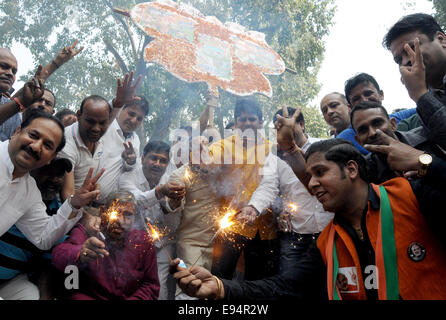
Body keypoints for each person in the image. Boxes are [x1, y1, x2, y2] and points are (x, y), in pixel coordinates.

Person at [171, 138, 446, 300]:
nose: (311, 184)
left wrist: (427, 163)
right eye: (310, 176)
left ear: (351, 169)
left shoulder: (410, 198)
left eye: (320, 172)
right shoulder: (328, 243)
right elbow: (285, 287)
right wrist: (221, 288)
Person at [0, 109, 102, 300]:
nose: (36, 147)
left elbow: (43, 237)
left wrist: (75, 204)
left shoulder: (29, 192)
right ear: (17, 131)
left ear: (50, 158)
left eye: (47, 145)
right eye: (33, 135)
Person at [240, 106, 334, 281]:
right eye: (278, 126)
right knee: (290, 285)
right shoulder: (274, 156)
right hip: (295, 235)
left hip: (330, 231)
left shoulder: (324, 148)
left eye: (288, 124)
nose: (283, 129)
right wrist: (253, 207)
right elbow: (268, 186)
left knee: (329, 284)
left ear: (302, 124)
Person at [209, 98, 276, 282]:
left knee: (258, 282)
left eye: (252, 119)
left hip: (264, 226)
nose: (247, 123)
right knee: (220, 279)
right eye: (242, 119)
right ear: (236, 122)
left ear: (261, 122)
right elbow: (206, 160)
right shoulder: (224, 146)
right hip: (232, 223)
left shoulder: (272, 148)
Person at [52, 190, 160, 300]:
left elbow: (150, 286)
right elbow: (58, 255)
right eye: (115, 213)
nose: (120, 221)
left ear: (134, 218)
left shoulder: (143, 242)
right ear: (103, 212)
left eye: (127, 215)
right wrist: (80, 253)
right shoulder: (89, 232)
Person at [119, 140, 185, 300]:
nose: (157, 164)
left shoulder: (172, 180)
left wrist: (174, 205)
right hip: (132, 241)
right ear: (142, 159)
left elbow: (173, 219)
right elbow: (136, 201)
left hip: (163, 242)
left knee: (159, 283)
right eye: (153, 158)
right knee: (130, 281)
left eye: (163, 161)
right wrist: (160, 191)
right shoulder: (127, 177)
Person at [384, 13, 446, 152]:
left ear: (441, 39)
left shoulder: (423, 97)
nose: (406, 61)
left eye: (412, 47)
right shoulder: (430, 101)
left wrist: (420, 95)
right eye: (399, 60)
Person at [0, 40, 83, 141]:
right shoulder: (12, 108)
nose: (10, 74)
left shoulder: (13, 118)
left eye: (14, 71)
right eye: (4, 66)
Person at [350, 101, 446, 183]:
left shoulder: (428, 136)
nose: (372, 133)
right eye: (363, 130)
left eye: (377, 123)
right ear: (358, 141)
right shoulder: (365, 171)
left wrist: (425, 163)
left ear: (393, 124)